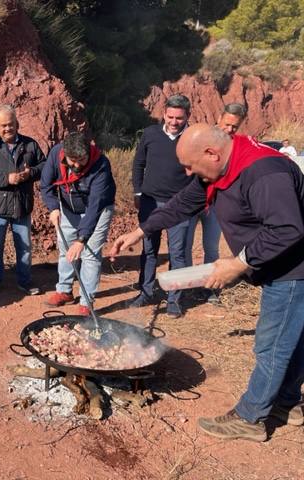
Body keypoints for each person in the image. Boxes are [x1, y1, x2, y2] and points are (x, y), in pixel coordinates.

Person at [111, 124, 304, 442]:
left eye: (189, 165)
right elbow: (181, 204)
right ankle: (287, 403)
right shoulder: (224, 168)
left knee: (272, 346)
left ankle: (250, 419)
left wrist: (238, 263)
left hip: (293, 271)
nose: (187, 172)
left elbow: (287, 229)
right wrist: (140, 231)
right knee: (290, 340)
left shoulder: (263, 173)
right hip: (278, 267)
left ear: (212, 153)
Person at [131, 94, 193, 318]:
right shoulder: (150, 133)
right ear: (164, 113)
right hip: (149, 202)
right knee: (148, 250)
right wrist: (137, 192)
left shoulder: (194, 137)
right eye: (170, 116)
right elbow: (138, 163)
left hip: (180, 205)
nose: (174, 122)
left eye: (179, 118)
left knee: (177, 254)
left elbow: (201, 171)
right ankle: (145, 292)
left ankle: (174, 299)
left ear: (188, 116)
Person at [40, 132, 115, 315]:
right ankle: (64, 290)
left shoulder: (101, 165)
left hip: (97, 210)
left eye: (80, 159)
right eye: (72, 160)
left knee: (89, 254)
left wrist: (82, 239)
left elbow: (95, 206)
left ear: (88, 152)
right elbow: (46, 185)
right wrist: (53, 208)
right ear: (64, 152)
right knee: (66, 249)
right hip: (67, 207)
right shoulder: (56, 153)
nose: (75, 165)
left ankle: (86, 301)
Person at [185, 103, 247, 304]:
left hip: (215, 206)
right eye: (227, 124)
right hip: (194, 202)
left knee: (211, 247)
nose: (229, 130)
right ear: (219, 118)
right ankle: (187, 287)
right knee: (184, 247)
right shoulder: (201, 138)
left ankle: (210, 289)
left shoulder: (235, 146)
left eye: (234, 127)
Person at [0, 104, 45, 296]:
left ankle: (24, 282)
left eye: (10, 124)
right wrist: (6, 179)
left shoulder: (30, 144)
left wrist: (30, 173)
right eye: (3, 126)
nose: (7, 128)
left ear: (17, 123)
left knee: (24, 246)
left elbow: (44, 165)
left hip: (22, 205)